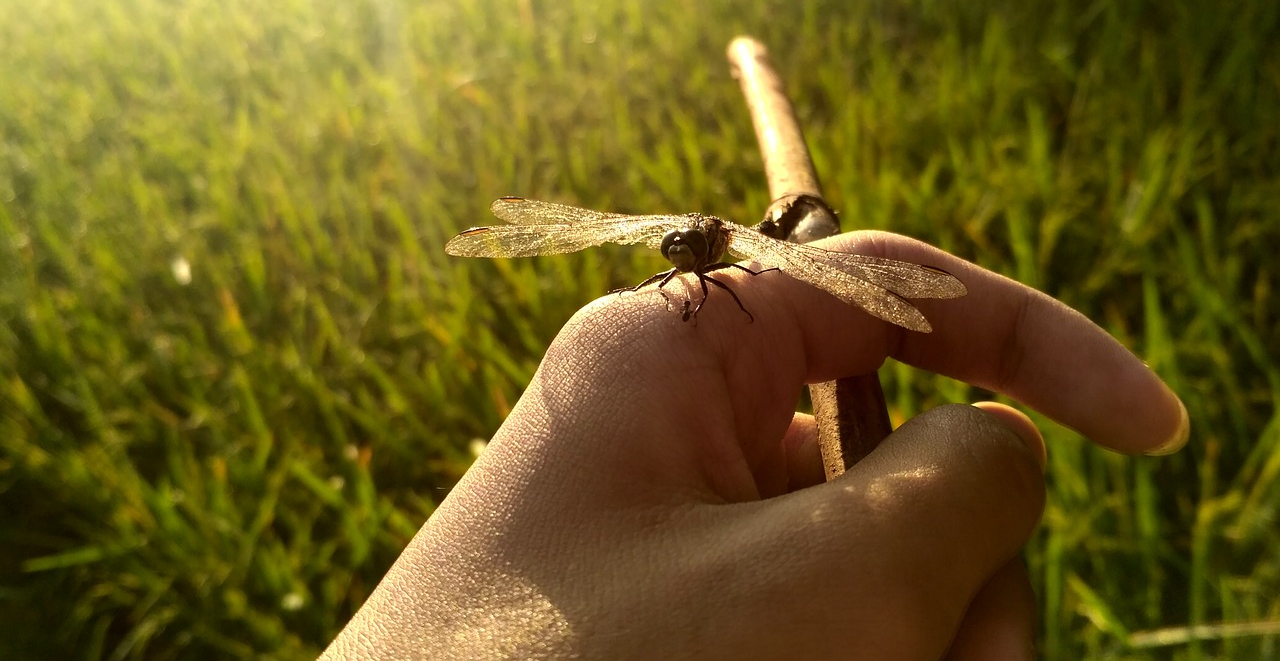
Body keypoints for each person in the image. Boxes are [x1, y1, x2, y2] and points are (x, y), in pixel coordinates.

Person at [322, 232, 1188, 660]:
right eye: (675, 253)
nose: (677, 258)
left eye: (687, 252)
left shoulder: (732, 268)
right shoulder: (678, 275)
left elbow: (728, 292)